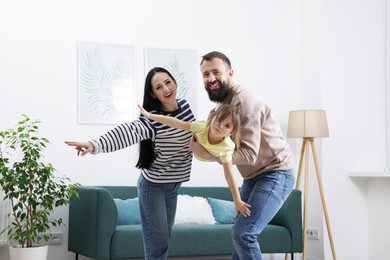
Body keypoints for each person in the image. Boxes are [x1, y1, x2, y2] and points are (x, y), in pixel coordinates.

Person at [65, 67, 195, 260]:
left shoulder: (185, 107)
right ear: (153, 93)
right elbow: (127, 132)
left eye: (168, 82)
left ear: (174, 82)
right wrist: (94, 145)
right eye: (159, 87)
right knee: (157, 242)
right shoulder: (151, 121)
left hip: (174, 185)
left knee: (164, 239)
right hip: (154, 187)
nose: (166, 89)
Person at [191, 51, 295, 260]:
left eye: (216, 72)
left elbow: (249, 154)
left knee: (244, 234)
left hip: (276, 173)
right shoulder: (225, 104)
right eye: (205, 74)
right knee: (238, 237)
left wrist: (210, 155)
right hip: (253, 177)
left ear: (230, 73)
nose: (210, 79)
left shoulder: (244, 102)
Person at [138, 103, 251, 217]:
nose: (220, 126)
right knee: (179, 133)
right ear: (213, 117)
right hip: (195, 148)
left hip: (211, 156)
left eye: (227, 125)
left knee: (229, 158)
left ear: (231, 132)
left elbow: (229, 175)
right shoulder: (202, 127)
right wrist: (150, 116)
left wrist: (237, 200)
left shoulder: (226, 147)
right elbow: (176, 123)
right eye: (219, 119)